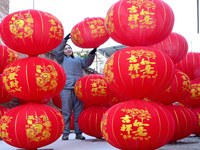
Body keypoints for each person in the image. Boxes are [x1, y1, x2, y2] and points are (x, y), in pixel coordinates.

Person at [53, 33, 97, 140]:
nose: (68, 49)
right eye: (66, 48)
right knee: (66, 111)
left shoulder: (78, 60)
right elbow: (56, 51)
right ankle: (66, 133)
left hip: (78, 88)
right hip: (66, 88)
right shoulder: (61, 59)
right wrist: (65, 40)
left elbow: (86, 63)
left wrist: (92, 53)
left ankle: (78, 133)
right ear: (63, 51)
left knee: (78, 111)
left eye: (69, 48)